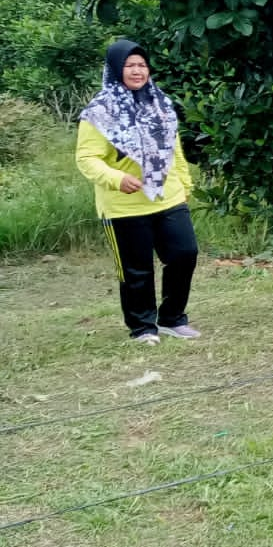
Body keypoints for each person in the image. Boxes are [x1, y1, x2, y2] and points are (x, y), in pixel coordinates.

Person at [76, 40, 201, 345]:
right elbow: (86, 158)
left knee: (185, 254)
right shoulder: (99, 112)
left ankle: (172, 318)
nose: (137, 70)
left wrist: (185, 185)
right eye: (129, 65)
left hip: (167, 196)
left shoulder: (160, 103)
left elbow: (175, 149)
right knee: (137, 269)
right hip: (124, 205)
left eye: (141, 65)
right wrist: (116, 178)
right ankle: (143, 327)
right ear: (116, 69)